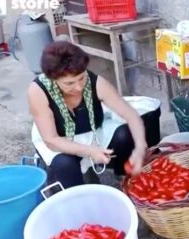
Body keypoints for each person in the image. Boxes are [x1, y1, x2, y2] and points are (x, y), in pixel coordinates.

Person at [29, 41, 148, 188]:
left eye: (81, 78)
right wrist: (89, 151)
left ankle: (123, 179)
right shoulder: (38, 91)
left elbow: (132, 116)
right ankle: (78, 194)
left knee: (124, 134)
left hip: (91, 134)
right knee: (64, 164)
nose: (78, 87)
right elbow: (51, 140)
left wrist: (140, 148)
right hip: (59, 141)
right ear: (53, 79)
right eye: (69, 83)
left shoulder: (96, 83)